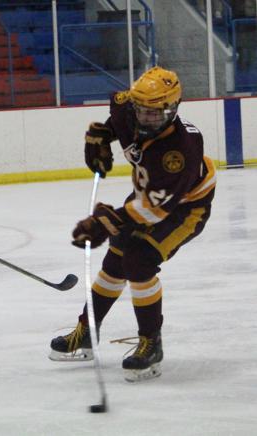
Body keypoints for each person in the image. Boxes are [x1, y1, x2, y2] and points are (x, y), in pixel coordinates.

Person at [49, 66, 216, 382]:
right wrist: (102, 136)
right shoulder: (133, 108)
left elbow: (155, 209)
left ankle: (151, 343)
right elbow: (117, 120)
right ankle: (87, 332)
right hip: (148, 191)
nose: (144, 119)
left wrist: (106, 222)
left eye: (154, 114)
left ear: (173, 109)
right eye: (141, 111)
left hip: (184, 206)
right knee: (116, 259)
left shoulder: (180, 152)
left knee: (139, 259)